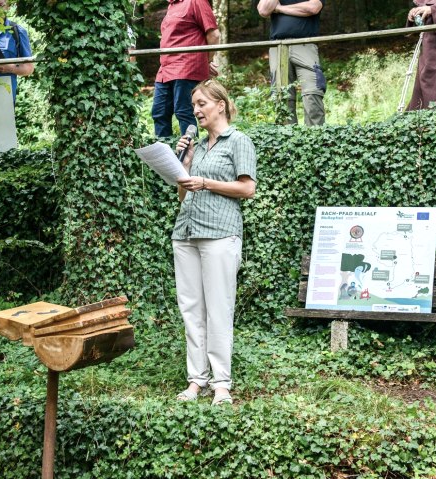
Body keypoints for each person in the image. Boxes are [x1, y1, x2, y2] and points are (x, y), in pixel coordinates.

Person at [172, 79, 257, 405]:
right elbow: (182, 195)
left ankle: (221, 384)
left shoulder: (238, 141)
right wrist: (187, 165)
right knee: (192, 311)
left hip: (220, 233)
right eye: (195, 105)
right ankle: (196, 381)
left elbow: (247, 189)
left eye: (202, 104)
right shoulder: (196, 145)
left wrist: (206, 182)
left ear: (220, 105)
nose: (196, 111)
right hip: (186, 233)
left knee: (218, 310)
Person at [151, 0, 220, 139]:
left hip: (186, 66)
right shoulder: (172, 5)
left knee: (183, 111)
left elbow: (214, 35)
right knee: (159, 112)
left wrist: (207, 60)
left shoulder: (196, 1)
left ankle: (189, 155)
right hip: (165, 68)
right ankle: (165, 157)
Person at [257, 0, 326, 126]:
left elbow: (313, 8)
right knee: (281, 96)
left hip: (306, 44)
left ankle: (317, 139)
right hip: (278, 46)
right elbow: (263, 10)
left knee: (313, 93)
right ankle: (286, 140)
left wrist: (279, 9)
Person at [0, 0, 34, 103]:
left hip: (4, 96)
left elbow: (29, 68)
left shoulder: (18, 31)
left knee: (1, 119)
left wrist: (10, 68)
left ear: (8, 6)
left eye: (0, 5)